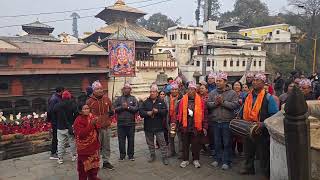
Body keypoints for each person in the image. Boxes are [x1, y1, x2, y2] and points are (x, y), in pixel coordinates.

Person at [240, 73, 279, 178]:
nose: (255, 82)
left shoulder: (269, 98)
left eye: (258, 80)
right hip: (248, 127)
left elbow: (274, 116)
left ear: (263, 83)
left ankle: (266, 173)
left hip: (262, 130)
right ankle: (249, 168)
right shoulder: (247, 96)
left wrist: (263, 123)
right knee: (248, 150)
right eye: (254, 80)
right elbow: (243, 109)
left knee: (263, 153)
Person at [207, 72, 239, 170]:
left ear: (225, 82)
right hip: (216, 121)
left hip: (227, 121)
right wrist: (216, 103)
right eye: (217, 81)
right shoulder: (212, 93)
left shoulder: (232, 93)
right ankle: (217, 159)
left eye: (220, 81)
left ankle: (226, 161)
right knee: (217, 142)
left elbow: (235, 105)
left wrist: (223, 102)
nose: (217, 83)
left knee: (227, 142)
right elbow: (208, 104)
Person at [177, 81, 208, 168]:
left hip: (196, 126)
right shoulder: (182, 101)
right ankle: (185, 160)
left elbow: (205, 115)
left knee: (196, 144)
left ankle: (196, 159)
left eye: (192, 89)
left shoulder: (201, 102)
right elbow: (178, 114)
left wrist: (205, 127)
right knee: (185, 144)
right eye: (189, 89)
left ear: (195, 90)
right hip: (185, 126)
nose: (190, 91)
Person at [86, 80, 114, 170]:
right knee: (95, 147)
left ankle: (106, 162)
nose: (100, 90)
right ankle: (95, 163)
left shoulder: (107, 99)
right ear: (93, 90)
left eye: (101, 88)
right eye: (97, 89)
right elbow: (86, 114)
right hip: (95, 128)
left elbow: (112, 109)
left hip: (106, 126)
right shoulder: (89, 101)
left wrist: (112, 112)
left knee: (106, 146)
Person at [139, 84, 169, 165]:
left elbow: (165, 111)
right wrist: (147, 113)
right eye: (151, 91)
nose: (152, 93)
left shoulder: (161, 101)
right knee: (150, 143)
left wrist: (158, 111)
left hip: (159, 127)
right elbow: (141, 112)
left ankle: (165, 157)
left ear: (157, 93)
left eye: (154, 92)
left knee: (162, 143)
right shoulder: (146, 102)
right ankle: (152, 155)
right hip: (148, 126)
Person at [73, 104, 101, 180]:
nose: (87, 110)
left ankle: (93, 177)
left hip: (93, 146)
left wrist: (96, 123)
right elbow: (81, 134)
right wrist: (91, 124)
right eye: (84, 109)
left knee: (94, 167)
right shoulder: (78, 120)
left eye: (88, 108)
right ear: (80, 111)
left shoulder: (91, 116)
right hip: (84, 149)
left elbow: (97, 129)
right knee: (83, 169)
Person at [113, 83, 139, 161]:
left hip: (131, 123)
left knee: (131, 140)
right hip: (121, 123)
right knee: (121, 140)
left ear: (130, 90)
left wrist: (128, 107)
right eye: (125, 88)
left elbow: (136, 109)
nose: (126, 90)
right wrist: (121, 107)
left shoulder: (133, 98)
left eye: (128, 88)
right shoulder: (119, 99)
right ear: (123, 89)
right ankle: (122, 155)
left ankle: (131, 155)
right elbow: (114, 109)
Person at [53, 90, 78, 164]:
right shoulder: (73, 105)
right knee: (72, 142)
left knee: (60, 143)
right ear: (69, 97)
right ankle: (73, 156)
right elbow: (76, 114)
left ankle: (60, 158)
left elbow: (53, 113)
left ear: (62, 97)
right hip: (70, 126)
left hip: (60, 127)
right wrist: (73, 122)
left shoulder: (57, 105)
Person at [164, 81, 183, 158]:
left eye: (175, 89)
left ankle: (181, 152)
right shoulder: (167, 99)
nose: (174, 91)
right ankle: (172, 151)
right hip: (171, 121)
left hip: (179, 121)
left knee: (180, 138)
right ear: (170, 90)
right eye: (172, 89)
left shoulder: (182, 98)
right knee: (171, 136)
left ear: (178, 90)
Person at [47, 86, 64, 160]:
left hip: (57, 120)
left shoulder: (57, 98)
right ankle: (53, 153)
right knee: (55, 137)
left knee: (58, 136)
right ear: (61, 91)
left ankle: (57, 150)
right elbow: (49, 111)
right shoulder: (54, 99)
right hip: (55, 121)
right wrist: (50, 121)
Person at [232, 81, 244, 157]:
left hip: (241, 116)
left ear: (240, 86)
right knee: (232, 135)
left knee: (240, 134)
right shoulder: (230, 94)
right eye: (235, 85)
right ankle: (232, 150)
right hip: (232, 116)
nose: (236, 86)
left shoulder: (244, 94)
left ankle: (240, 151)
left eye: (238, 85)